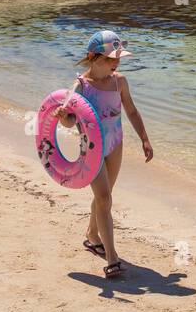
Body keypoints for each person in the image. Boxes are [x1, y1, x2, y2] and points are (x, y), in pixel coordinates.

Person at [53, 30, 154, 279]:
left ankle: (91, 235)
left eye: (118, 58)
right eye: (111, 58)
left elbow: (131, 111)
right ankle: (112, 259)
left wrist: (144, 138)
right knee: (105, 198)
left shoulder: (119, 81)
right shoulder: (81, 86)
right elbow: (69, 122)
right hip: (92, 148)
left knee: (103, 196)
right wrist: (63, 118)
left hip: (116, 145)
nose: (116, 62)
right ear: (94, 57)